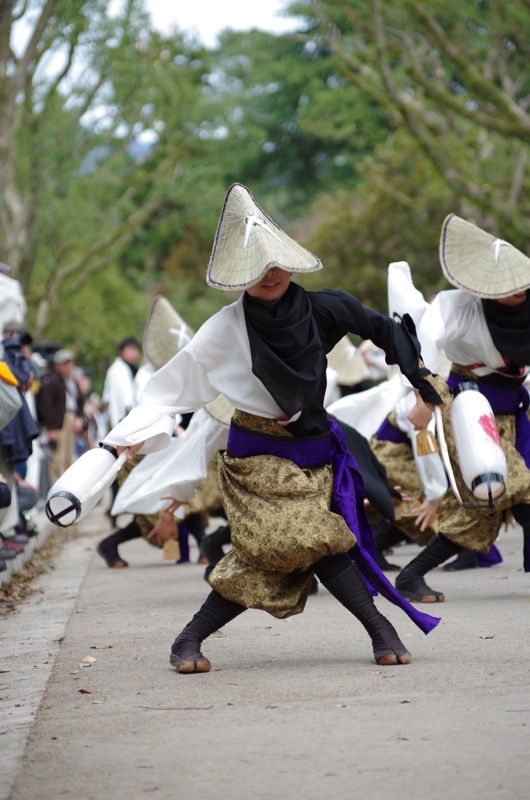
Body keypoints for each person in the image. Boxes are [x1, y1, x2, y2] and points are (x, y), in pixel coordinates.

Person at [103, 182, 449, 674]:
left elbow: (384, 328)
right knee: (314, 536)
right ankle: (381, 629)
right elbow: (168, 390)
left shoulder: (326, 308)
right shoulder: (222, 330)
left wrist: (421, 381)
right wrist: (125, 436)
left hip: (315, 453)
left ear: (289, 261)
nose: (269, 274)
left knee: (271, 557)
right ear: (239, 276)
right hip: (257, 457)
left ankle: (188, 639)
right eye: (256, 267)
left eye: (276, 263)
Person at [395, 214, 530, 602]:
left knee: (486, 505)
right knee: (512, 487)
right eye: (507, 285)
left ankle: (411, 576)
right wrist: (422, 397)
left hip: (515, 410)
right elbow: (418, 343)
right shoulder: (456, 306)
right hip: (468, 406)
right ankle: (411, 576)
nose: (518, 288)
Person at [36, 349, 86, 485]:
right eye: (65, 363)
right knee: (58, 459)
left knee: (68, 457)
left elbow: (79, 401)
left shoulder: (73, 381)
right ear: (57, 365)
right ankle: (57, 489)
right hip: (59, 421)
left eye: (70, 363)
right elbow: (46, 405)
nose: (68, 366)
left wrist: (80, 418)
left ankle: (66, 488)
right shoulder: (51, 381)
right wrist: (51, 428)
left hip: (71, 417)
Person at [102, 337, 142, 429]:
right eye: (131, 349)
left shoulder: (129, 369)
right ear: (121, 351)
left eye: (137, 350)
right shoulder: (118, 370)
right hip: (120, 421)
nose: (134, 353)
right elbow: (123, 402)